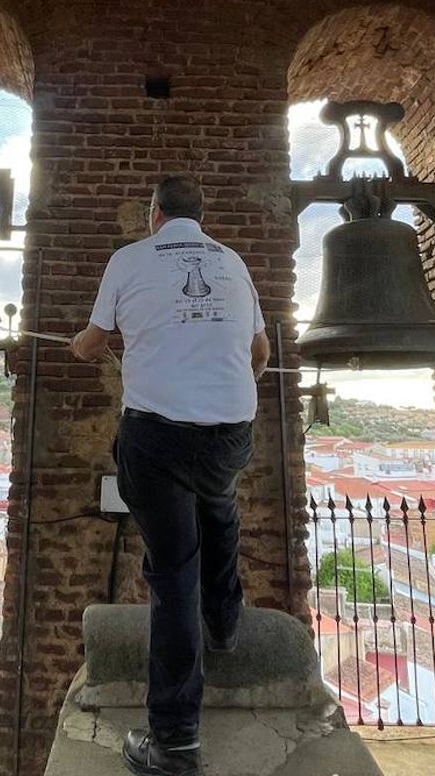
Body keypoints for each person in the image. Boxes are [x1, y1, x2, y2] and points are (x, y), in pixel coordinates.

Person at [71, 175, 271, 776]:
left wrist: (82, 345)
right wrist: (230, 395)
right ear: (200, 216)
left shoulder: (129, 259)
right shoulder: (232, 261)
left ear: (153, 214)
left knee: (174, 572)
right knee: (219, 505)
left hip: (157, 434)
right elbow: (260, 351)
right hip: (230, 430)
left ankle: (176, 740)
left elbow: (94, 341)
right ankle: (226, 620)